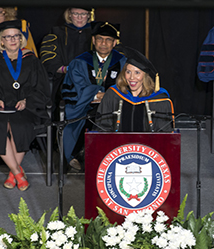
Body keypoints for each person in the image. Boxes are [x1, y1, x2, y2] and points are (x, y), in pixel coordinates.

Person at [0, 20, 51, 191]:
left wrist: (27, 101)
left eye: (16, 36)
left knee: (21, 126)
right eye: (8, 37)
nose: (13, 40)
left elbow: (41, 87)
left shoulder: (32, 61)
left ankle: (13, 173)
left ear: (21, 39)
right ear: (2, 41)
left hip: (25, 107)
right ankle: (18, 173)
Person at [61, 21, 127, 171]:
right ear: (93, 41)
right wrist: (95, 95)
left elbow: (126, 86)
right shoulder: (80, 61)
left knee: (105, 113)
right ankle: (84, 155)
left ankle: (91, 155)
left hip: (114, 105)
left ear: (115, 42)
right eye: (99, 39)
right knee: (94, 113)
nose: (103, 43)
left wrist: (107, 96)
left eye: (108, 40)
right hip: (85, 104)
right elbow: (76, 88)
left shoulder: (122, 62)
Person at [96, 47, 174, 132]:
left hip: (148, 145)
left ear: (145, 76)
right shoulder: (113, 94)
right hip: (117, 144)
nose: (132, 77)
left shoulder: (159, 99)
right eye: (128, 72)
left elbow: (164, 133)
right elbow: (102, 127)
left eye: (137, 72)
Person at [40, 7, 94, 107]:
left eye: (83, 14)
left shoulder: (95, 33)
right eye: (76, 13)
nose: (80, 18)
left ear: (88, 16)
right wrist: (65, 69)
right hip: (64, 79)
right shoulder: (56, 32)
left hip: (92, 79)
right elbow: (48, 58)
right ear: (69, 14)